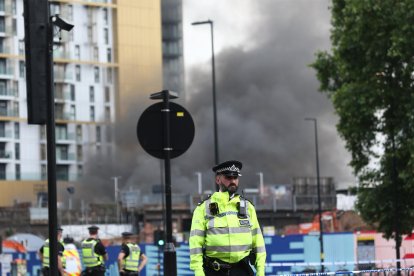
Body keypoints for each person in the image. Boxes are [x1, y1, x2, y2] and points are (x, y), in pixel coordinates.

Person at [189, 160, 267, 276]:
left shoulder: (248, 207)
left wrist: (260, 271)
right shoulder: (203, 208)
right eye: (228, 177)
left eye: (235, 177)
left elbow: (258, 242)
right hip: (214, 271)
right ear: (218, 180)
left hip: (242, 270)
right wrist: (199, 272)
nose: (233, 181)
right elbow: (196, 243)